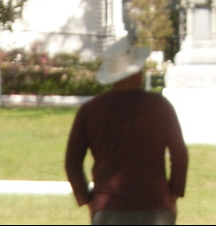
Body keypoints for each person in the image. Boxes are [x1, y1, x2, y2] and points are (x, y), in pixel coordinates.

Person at [65, 35, 188, 226]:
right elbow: (179, 155)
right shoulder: (160, 106)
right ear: (137, 72)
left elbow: (72, 163)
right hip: (155, 207)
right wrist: (173, 194)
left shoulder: (90, 111)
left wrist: (88, 200)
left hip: (108, 209)